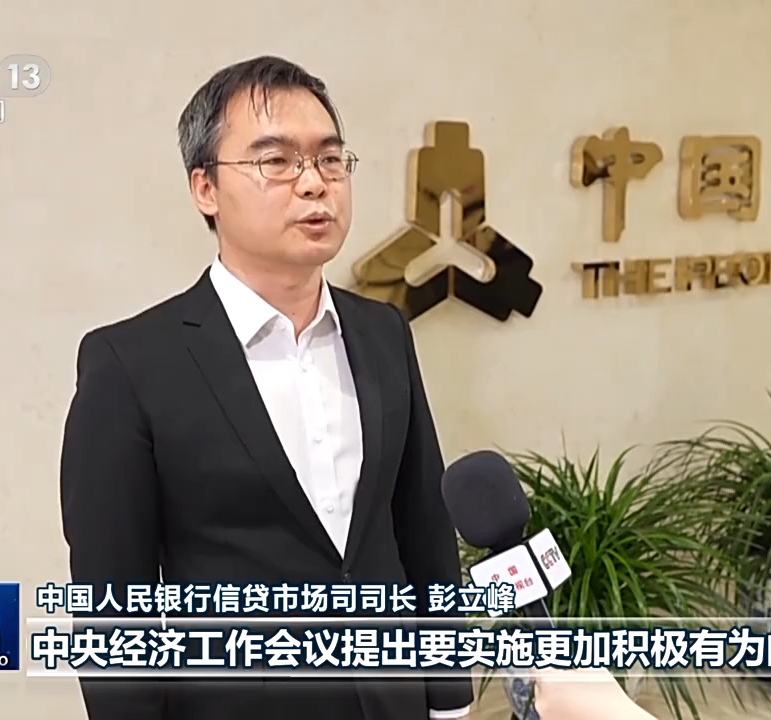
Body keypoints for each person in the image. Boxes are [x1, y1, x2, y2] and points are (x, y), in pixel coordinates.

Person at [58, 55, 474, 720]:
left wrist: (449, 702)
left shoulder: (382, 332)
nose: (314, 184)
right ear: (205, 188)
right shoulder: (130, 363)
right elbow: (112, 606)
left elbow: (422, 529)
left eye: (330, 160)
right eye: (276, 161)